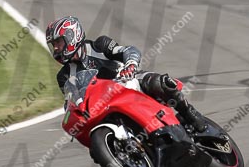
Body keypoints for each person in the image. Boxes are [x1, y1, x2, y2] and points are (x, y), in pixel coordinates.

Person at [45, 16, 207, 132]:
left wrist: (129, 65)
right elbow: (70, 99)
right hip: (101, 106)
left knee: (160, 83)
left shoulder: (99, 46)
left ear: (71, 36)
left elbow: (128, 51)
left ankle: (189, 112)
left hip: (127, 82)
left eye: (58, 42)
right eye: (54, 45)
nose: (56, 48)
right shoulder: (63, 76)